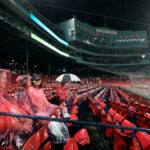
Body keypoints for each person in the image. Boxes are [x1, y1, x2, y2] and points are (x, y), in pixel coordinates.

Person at [0, 69, 32, 149]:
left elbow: (13, 109)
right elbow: (4, 122)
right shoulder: (20, 91)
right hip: (4, 134)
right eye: (3, 78)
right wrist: (20, 125)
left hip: (9, 130)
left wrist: (22, 119)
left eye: (6, 78)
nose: (6, 81)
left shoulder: (2, 96)